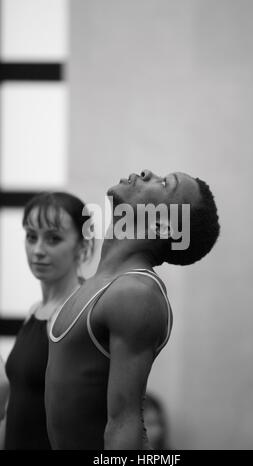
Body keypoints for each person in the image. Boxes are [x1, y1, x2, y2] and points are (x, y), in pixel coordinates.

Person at [45, 169, 220, 450]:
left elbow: (124, 422)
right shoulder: (99, 284)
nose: (147, 173)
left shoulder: (136, 293)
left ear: (163, 226)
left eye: (164, 184)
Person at [4, 192, 92, 450]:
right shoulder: (35, 312)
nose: (38, 250)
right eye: (32, 237)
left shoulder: (80, 313)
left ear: (83, 245)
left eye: (53, 239)